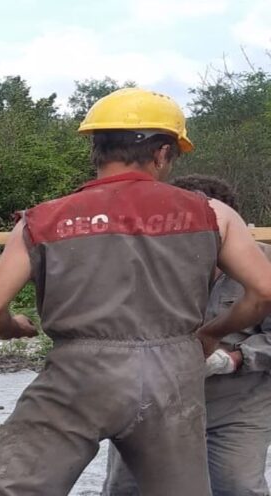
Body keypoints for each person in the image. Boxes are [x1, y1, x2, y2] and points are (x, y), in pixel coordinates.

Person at [0, 88, 271, 495]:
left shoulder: (43, 219)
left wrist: (16, 327)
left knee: (10, 489)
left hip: (79, 373)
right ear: (163, 153)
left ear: (96, 147)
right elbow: (264, 292)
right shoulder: (213, 214)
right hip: (173, 373)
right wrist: (213, 332)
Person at [102, 174, 271, 496]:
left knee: (237, 487)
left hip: (238, 403)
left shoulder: (267, 264)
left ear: (229, 223)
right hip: (152, 401)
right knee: (126, 489)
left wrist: (235, 359)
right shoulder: (140, 264)